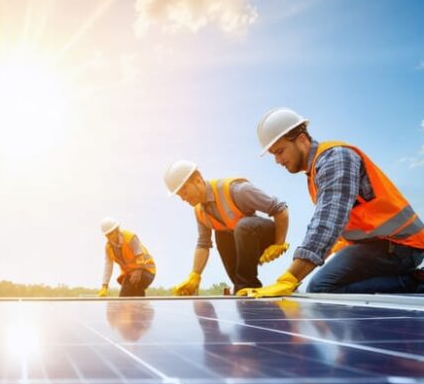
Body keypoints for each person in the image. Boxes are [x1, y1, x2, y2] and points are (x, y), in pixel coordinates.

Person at [242, 108, 424, 296]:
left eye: (280, 151)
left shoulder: (336, 158)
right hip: (381, 245)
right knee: (325, 283)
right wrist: (304, 271)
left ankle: (414, 283)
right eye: (274, 155)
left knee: (322, 287)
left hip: (401, 245)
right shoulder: (316, 171)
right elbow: (337, 231)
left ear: (302, 139)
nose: (278, 160)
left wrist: (289, 278)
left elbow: (327, 224)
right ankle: (403, 279)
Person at [164, 160, 290, 295]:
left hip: (266, 236)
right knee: (221, 235)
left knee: (243, 226)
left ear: (198, 181)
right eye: (179, 195)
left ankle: (245, 284)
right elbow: (203, 244)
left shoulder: (237, 190)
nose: (183, 198)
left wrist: (279, 243)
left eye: (184, 190)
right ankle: (242, 287)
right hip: (243, 243)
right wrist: (195, 275)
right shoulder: (199, 211)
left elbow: (280, 208)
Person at [97, 218, 156, 297]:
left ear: (117, 229)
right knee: (124, 297)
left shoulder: (130, 237)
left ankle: (140, 307)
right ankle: (140, 307)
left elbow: (139, 255)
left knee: (133, 287)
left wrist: (138, 270)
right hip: (130, 274)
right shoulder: (108, 247)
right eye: (107, 235)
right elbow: (108, 266)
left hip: (147, 270)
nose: (110, 237)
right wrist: (104, 285)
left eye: (111, 233)